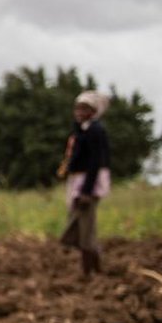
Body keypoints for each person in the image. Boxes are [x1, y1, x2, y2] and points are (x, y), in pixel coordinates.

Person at [57, 89, 111, 277]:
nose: (79, 112)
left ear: (94, 111)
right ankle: (92, 271)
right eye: (77, 108)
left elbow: (94, 163)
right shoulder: (83, 130)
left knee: (86, 230)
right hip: (80, 183)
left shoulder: (95, 131)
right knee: (82, 229)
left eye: (84, 109)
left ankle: (91, 273)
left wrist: (87, 191)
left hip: (88, 185)